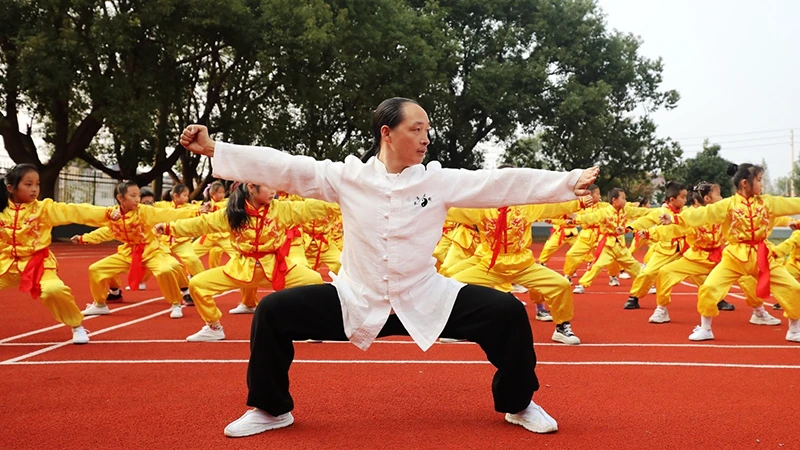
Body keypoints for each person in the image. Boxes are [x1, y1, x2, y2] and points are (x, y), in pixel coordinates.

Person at [179, 97, 599, 437]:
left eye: (427, 131)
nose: (425, 139)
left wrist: (568, 181)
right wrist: (216, 149)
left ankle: (518, 404)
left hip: (424, 296)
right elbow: (286, 167)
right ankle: (271, 409)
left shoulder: (437, 181)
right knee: (273, 313)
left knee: (507, 313)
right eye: (416, 129)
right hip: (357, 299)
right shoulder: (346, 177)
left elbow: (500, 182)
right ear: (387, 133)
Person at [673, 163, 800, 342]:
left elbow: (794, 204)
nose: (762, 185)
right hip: (734, 257)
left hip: (763, 255)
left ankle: (795, 330)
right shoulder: (728, 205)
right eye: (759, 180)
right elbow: (702, 215)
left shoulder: (768, 202)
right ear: (745, 183)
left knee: (793, 287)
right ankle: (705, 328)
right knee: (710, 287)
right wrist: (674, 217)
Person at [0, 164, 111, 344]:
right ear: (10, 188)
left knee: (54, 290)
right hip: (6, 263)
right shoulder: (2, 210)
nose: (34, 189)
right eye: (28, 184)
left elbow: (76, 211)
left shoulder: (44, 209)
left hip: (38, 263)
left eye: (37, 184)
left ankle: (77, 325)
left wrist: (108, 213)